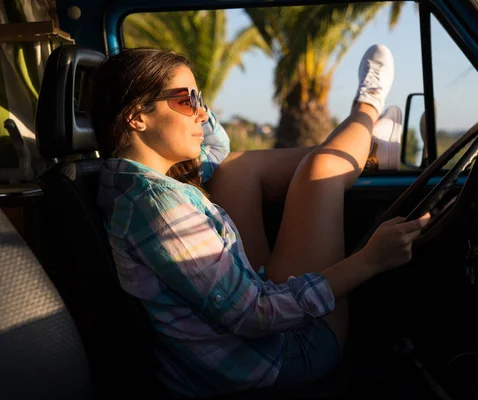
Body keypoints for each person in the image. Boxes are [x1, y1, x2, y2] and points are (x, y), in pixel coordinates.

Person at [91, 44, 430, 399]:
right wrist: (370, 261)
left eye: (200, 98)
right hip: (279, 357)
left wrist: (194, 101)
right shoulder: (158, 206)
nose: (203, 114)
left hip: (233, 340)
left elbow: (218, 151)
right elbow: (255, 316)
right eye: (186, 101)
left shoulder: (127, 178)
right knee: (321, 170)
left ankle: (367, 151)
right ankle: (368, 107)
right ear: (136, 117)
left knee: (238, 168)